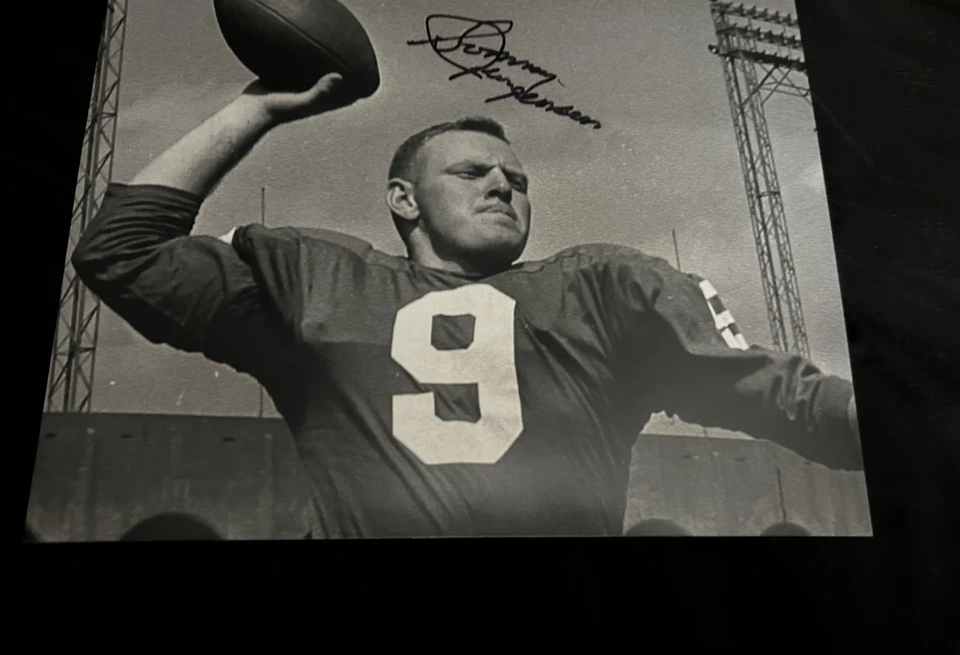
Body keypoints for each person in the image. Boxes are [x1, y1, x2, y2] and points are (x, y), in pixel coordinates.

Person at [72, 73, 863, 538]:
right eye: (471, 173)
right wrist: (258, 106)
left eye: (517, 180)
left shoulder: (601, 287)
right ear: (403, 199)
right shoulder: (318, 281)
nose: (502, 186)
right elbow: (120, 252)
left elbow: (791, 398)